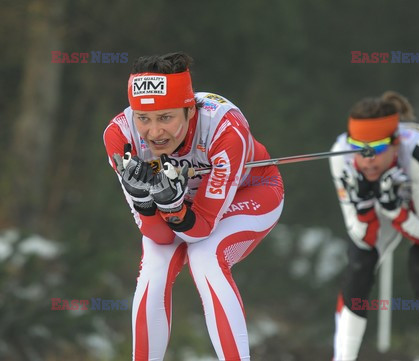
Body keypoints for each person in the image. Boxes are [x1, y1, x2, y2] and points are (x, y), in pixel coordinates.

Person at [103, 52, 284, 361]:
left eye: (166, 118)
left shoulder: (225, 129)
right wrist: (146, 203)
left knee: (206, 257)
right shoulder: (120, 136)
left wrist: (173, 206)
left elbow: (200, 230)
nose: (155, 133)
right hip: (182, 204)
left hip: (251, 192)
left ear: (189, 111)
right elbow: (159, 236)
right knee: (154, 267)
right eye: (144, 118)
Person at [329, 91, 419, 361]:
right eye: (359, 148)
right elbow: (363, 238)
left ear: (395, 143)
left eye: (376, 149)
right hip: (384, 210)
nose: (367, 160)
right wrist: (366, 205)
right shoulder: (340, 156)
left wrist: (394, 208)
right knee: (358, 267)